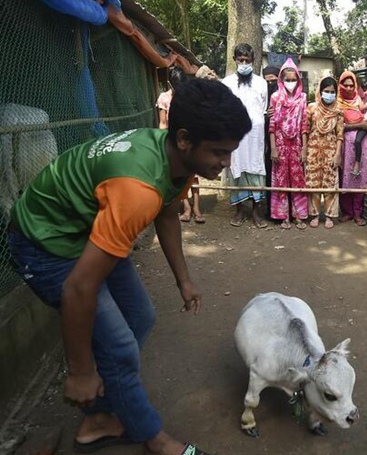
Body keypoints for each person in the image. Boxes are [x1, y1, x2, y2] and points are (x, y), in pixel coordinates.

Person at [6, 78, 250, 455]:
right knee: (119, 345)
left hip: (88, 227)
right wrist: (80, 372)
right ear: (184, 139)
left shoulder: (176, 161)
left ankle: (100, 417)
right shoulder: (138, 189)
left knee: (140, 317)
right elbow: (78, 289)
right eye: (219, 152)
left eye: (230, 152)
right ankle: (155, 439)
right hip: (45, 241)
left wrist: (184, 279)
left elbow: (168, 215)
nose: (226, 163)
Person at [222, 43, 270, 228]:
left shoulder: (261, 83)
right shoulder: (226, 83)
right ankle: (240, 211)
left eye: (247, 60)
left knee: (256, 169)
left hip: (255, 136)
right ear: (234, 60)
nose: (243, 63)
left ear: (253, 61)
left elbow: (263, 108)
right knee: (237, 168)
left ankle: (257, 213)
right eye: (240, 60)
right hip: (235, 136)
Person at [156, 68, 206, 225]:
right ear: (170, 84)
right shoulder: (164, 98)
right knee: (179, 176)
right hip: (174, 141)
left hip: (191, 139)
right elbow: (163, 123)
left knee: (194, 175)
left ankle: (197, 208)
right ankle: (186, 208)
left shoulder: (191, 96)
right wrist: (163, 144)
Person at [269, 58, 309, 230]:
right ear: (281, 80)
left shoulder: (302, 98)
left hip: (297, 145)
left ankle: (299, 216)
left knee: (298, 181)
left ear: (298, 80)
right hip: (280, 144)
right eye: (288, 79)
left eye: (294, 80)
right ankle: (283, 216)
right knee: (281, 180)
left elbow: (304, 125)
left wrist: (305, 148)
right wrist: (273, 148)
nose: (290, 83)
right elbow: (272, 125)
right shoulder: (275, 97)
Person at [305, 77, 344, 229]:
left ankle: (329, 216)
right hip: (313, 150)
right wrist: (304, 150)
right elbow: (305, 130)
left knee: (330, 184)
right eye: (326, 91)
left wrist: (338, 154)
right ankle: (314, 215)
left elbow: (340, 135)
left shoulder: (338, 110)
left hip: (331, 151)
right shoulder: (311, 108)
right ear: (320, 92)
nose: (329, 94)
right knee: (313, 183)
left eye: (332, 92)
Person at [337, 71, 367, 226]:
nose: (349, 88)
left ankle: (358, 213)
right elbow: (339, 127)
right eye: (345, 85)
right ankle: (347, 212)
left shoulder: (358, 100)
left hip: (361, 145)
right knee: (345, 177)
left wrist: (361, 127)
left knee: (358, 178)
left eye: (352, 85)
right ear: (340, 85)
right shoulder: (336, 103)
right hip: (344, 145)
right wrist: (360, 125)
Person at [262, 65, 281, 219]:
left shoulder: (283, 95)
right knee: (269, 176)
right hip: (267, 143)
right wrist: (265, 114)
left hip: (285, 142)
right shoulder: (261, 95)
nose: (271, 85)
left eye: (274, 81)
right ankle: (270, 210)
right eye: (267, 82)